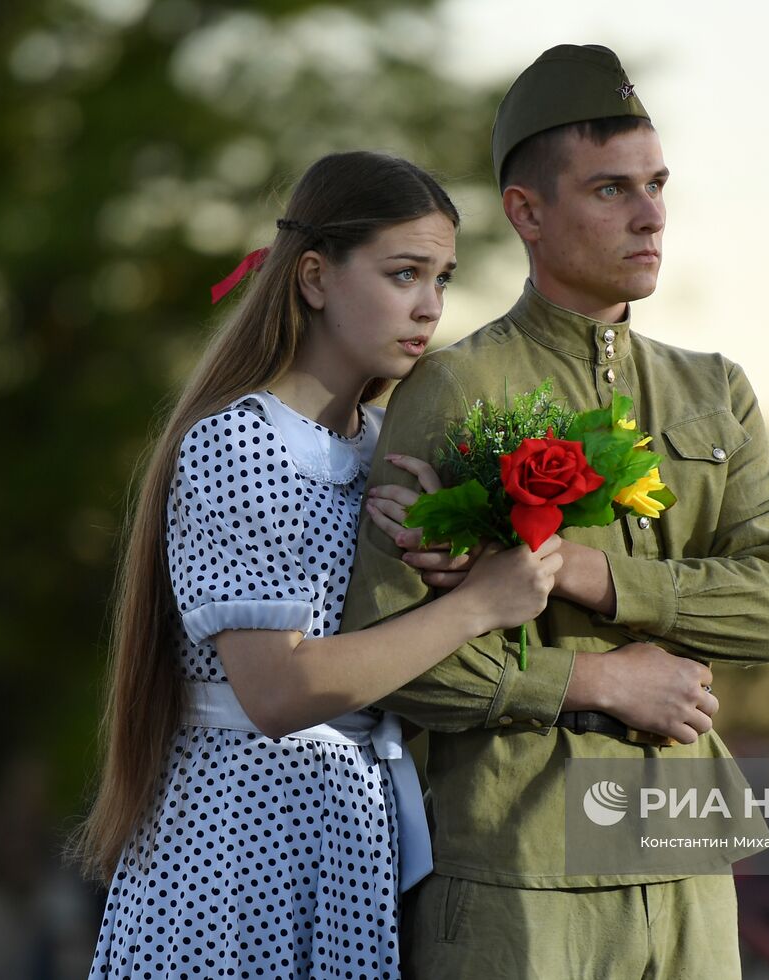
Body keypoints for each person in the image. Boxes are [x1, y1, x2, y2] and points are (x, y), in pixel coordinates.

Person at [342, 45, 769, 978]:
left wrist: (591, 575)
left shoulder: (716, 391)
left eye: (657, 184)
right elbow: (393, 664)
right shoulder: (453, 389)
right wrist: (592, 681)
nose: (651, 214)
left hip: (688, 866)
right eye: (610, 190)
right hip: (517, 871)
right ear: (528, 213)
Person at [74, 151, 563, 980]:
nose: (429, 306)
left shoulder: (381, 450)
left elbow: (384, 672)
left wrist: (442, 569)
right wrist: (474, 605)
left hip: (348, 845)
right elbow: (278, 691)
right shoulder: (240, 441)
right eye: (404, 273)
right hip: (235, 858)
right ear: (313, 278)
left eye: (442, 279)